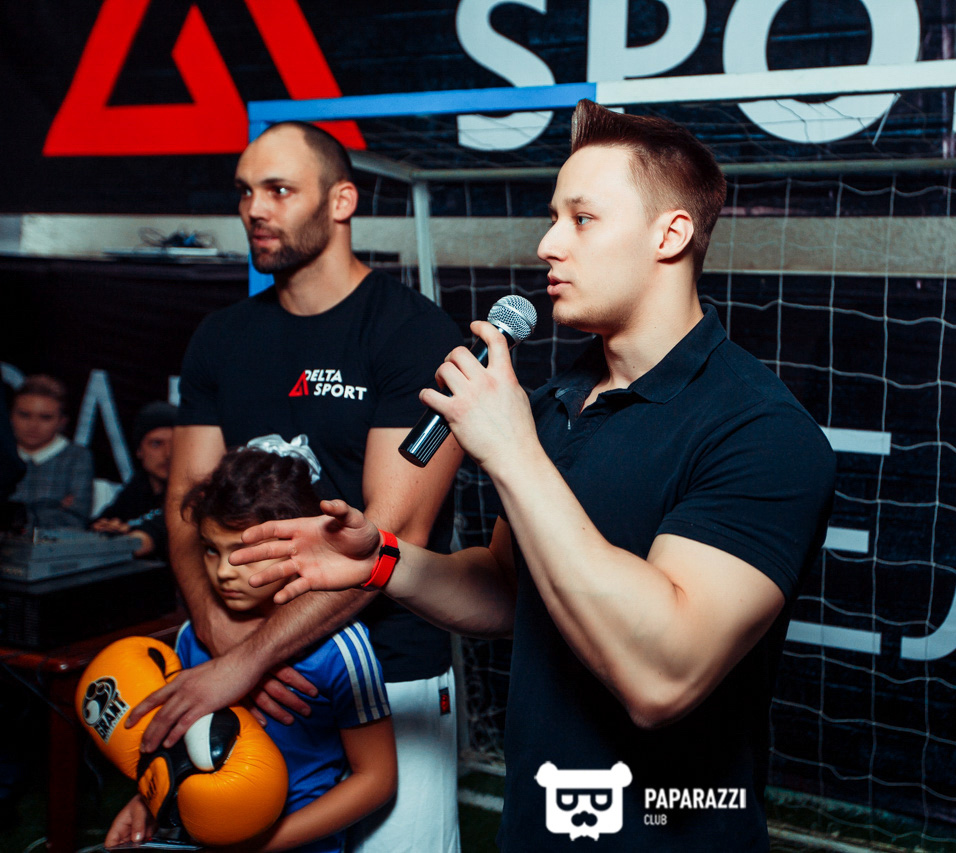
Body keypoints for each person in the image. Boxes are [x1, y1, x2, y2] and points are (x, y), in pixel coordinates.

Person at [232, 100, 837, 851]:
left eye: (582, 219)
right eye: (553, 217)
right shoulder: (554, 405)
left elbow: (663, 677)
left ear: (671, 235)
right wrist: (383, 562)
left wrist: (513, 452)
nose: (548, 243)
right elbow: (509, 589)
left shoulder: (762, 431)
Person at [128, 121, 465, 852]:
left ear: (342, 201)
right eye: (246, 191)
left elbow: (389, 539)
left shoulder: (414, 334)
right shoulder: (221, 337)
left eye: (279, 189)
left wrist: (248, 659)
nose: (255, 208)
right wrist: (224, 639)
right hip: (247, 663)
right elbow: (186, 506)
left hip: (386, 670)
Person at [106, 443, 396, 853]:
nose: (224, 571)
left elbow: (376, 780)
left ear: (297, 546)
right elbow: (184, 751)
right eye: (211, 549)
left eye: (244, 553)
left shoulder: (341, 647)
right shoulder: (193, 635)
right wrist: (148, 800)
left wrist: (257, 844)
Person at [91, 401, 176, 557]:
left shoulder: (194, 491)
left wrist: (132, 534)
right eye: (156, 444)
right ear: (139, 450)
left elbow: (145, 542)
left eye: (176, 444)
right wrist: (106, 528)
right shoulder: (139, 485)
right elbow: (101, 522)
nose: (168, 454)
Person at [10, 374, 93, 529]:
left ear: (62, 422)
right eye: (24, 415)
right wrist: (52, 508)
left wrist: (13, 515)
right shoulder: (4, 454)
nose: (33, 425)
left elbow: (75, 521)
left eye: (45, 417)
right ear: (10, 416)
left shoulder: (77, 457)